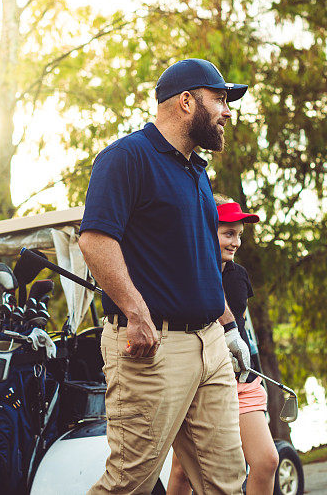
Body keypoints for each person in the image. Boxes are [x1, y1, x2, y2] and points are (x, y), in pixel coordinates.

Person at [78, 58, 252, 495]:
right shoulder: (125, 158)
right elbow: (96, 241)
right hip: (152, 349)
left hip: (210, 346)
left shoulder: (197, 171)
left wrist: (229, 328)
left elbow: (202, 261)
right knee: (129, 483)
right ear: (187, 101)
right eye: (220, 99)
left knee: (227, 481)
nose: (228, 112)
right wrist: (136, 313)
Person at [167, 196, 279, 495]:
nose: (236, 243)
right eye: (228, 233)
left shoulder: (238, 275)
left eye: (239, 235)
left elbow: (240, 326)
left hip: (240, 379)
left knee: (266, 461)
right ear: (204, 230)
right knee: (182, 471)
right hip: (197, 380)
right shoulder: (178, 271)